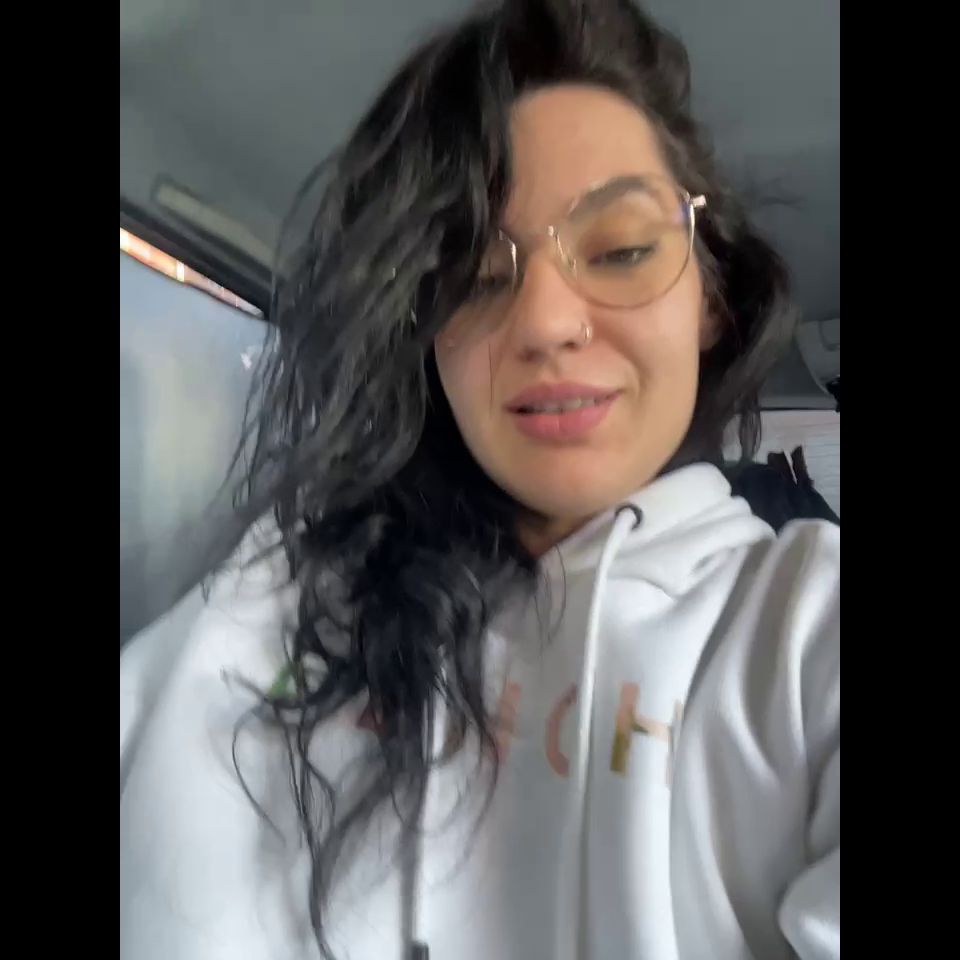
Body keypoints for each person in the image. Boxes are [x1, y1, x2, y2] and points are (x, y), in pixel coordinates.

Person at [119, 1, 840, 958]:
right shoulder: (265, 604)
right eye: (474, 275)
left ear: (709, 294)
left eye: (622, 250)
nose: (543, 323)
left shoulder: (804, 633)